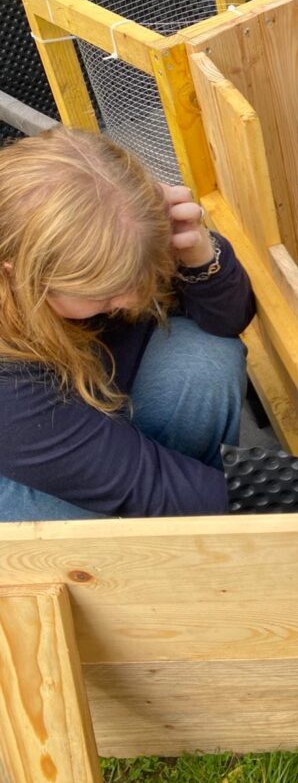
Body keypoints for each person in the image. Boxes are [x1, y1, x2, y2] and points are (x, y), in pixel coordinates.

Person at [0, 127, 256, 521]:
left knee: (206, 357)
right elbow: (145, 483)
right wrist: (297, 506)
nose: (134, 299)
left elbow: (227, 320)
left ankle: (199, 523)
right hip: (21, 470)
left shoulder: (121, 230)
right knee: (76, 515)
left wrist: (200, 255)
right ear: (21, 277)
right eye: (106, 293)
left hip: (92, 411)